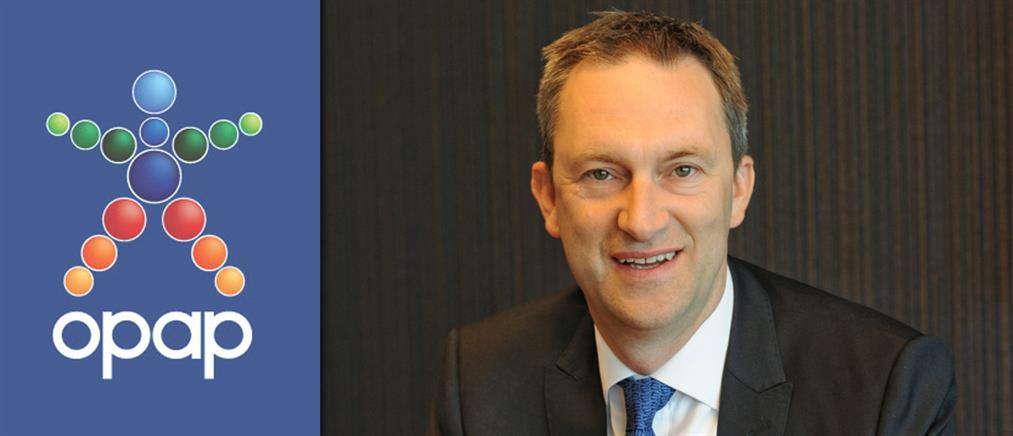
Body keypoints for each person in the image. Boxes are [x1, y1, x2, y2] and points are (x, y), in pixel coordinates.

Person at [428, 11, 955, 436]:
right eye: (602, 173)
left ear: (738, 190)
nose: (642, 221)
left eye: (682, 170)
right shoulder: (480, 382)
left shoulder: (881, 391)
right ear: (548, 198)